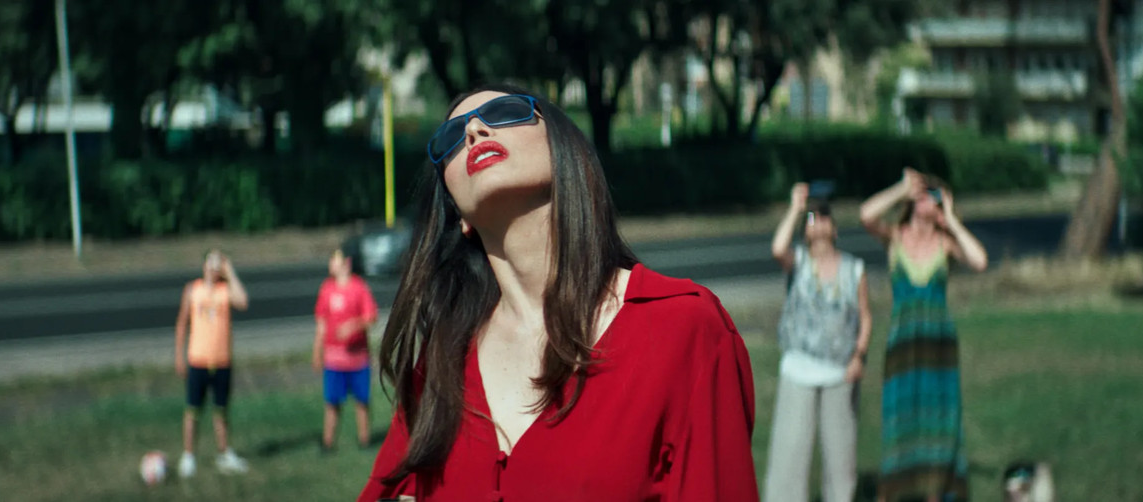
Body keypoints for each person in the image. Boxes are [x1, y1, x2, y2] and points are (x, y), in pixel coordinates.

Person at [358, 84, 759, 501]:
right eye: (450, 138)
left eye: (505, 111)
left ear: (564, 149)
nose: (474, 131)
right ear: (458, 213)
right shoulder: (439, 366)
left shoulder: (684, 329)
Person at [859, 169, 988, 502]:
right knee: (901, 420)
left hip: (939, 347)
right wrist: (901, 189)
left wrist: (952, 221)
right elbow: (866, 215)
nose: (921, 196)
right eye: (920, 193)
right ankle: (894, 492)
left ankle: (935, 491)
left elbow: (980, 261)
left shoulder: (946, 243)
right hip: (902, 345)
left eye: (930, 193)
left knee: (939, 422)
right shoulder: (895, 236)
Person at [763, 183, 872, 502]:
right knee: (790, 456)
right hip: (799, 371)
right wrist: (796, 208)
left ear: (835, 230)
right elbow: (776, 248)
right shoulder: (797, 262)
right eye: (813, 218)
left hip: (840, 372)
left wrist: (859, 355)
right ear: (805, 232)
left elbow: (865, 316)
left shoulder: (855, 269)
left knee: (841, 459)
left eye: (825, 217)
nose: (819, 221)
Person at [174, 249, 251, 478]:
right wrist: (179, 356)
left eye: (220, 262)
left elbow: (244, 302)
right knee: (192, 410)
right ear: (204, 264)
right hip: (198, 360)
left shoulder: (225, 290)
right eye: (212, 260)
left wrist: (231, 272)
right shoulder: (192, 290)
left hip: (222, 361)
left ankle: (224, 453)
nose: (215, 266)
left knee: (221, 410)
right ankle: (189, 456)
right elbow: (181, 324)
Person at [313, 248, 379, 452]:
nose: (331, 263)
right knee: (332, 402)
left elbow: (371, 317)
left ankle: (364, 440)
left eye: (335, 259)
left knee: (362, 401)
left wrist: (354, 325)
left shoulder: (359, 287)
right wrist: (317, 351)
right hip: (334, 359)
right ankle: (328, 442)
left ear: (346, 263)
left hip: (358, 359)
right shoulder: (327, 288)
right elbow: (321, 324)